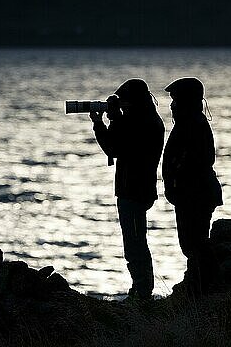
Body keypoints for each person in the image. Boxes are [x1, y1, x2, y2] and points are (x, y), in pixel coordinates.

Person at [89, 78, 165, 301]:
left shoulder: (143, 123)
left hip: (135, 191)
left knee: (135, 244)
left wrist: (112, 120)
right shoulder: (143, 119)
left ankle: (142, 293)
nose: (122, 106)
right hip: (135, 190)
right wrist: (104, 123)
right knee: (135, 242)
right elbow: (116, 146)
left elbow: (115, 147)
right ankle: (140, 289)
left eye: (125, 102)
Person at [162, 77, 223, 296]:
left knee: (194, 243)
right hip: (190, 194)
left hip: (195, 195)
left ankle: (206, 287)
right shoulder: (189, 123)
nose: (171, 105)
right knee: (192, 243)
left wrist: (177, 177)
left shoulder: (193, 125)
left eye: (175, 100)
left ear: (185, 101)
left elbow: (197, 161)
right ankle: (201, 287)